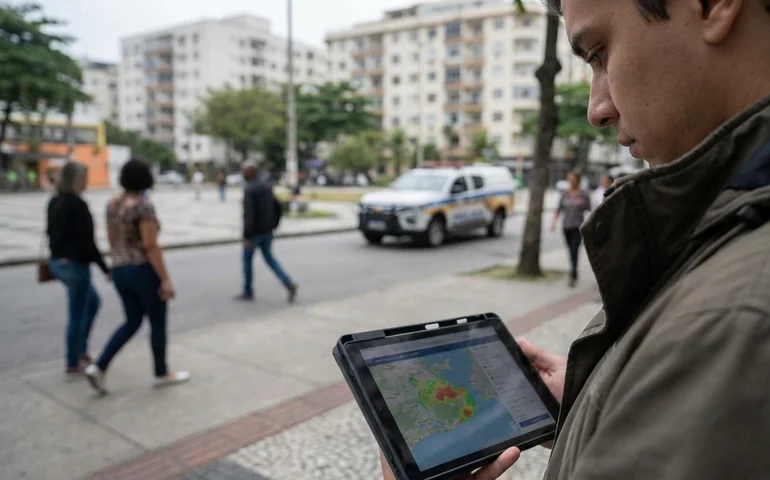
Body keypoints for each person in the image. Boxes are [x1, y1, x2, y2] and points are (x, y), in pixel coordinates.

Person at [378, 0, 770, 478]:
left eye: (600, 54)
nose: (597, 109)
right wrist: (599, 396)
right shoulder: (726, 239)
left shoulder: (730, 321)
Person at [85, 158, 189, 394]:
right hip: (142, 268)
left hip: (120, 268)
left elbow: (112, 239)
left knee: (132, 320)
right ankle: (162, 372)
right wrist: (165, 278)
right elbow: (150, 246)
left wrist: (115, 265)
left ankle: (99, 366)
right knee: (157, 321)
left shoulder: (112, 204)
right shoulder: (143, 206)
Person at [46, 162, 109, 378]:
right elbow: (88, 244)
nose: (87, 181)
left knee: (92, 303)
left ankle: (80, 351)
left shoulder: (54, 202)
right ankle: (73, 361)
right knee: (77, 313)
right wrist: (105, 268)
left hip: (57, 263)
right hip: (75, 266)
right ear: (76, 180)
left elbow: (50, 233)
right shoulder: (78, 205)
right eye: (84, 177)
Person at [236, 161, 298, 303]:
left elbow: (249, 215)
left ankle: (248, 290)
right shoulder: (266, 186)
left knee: (247, 261)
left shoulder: (249, 189)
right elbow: (278, 206)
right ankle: (288, 283)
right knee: (270, 259)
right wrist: (274, 224)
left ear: (250, 172)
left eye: (244, 171)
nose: (242, 174)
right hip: (267, 231)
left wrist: (246, 235)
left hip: (254, 233)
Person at [551, 169, 591, 287]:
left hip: (578, 227)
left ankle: (572, 274)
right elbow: (559, 208)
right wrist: (554, 222)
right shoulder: (565, 193)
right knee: (570, 250)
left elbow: (589, 208)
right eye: (569, 179)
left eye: (572, 179)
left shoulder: (583, 193)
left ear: (577, 180)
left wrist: (581, 204)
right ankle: (573, 271)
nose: (570, 181)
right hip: (566, 226)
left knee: (574, 249)